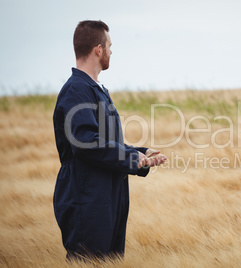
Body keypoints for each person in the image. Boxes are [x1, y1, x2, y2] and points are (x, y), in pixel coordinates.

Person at [52, 20, 167, 261]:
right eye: (109, 46)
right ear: (98, 49)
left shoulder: (96, 89)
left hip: (107, 196)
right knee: (89, 262)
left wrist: (141, 154)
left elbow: (105, 142)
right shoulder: (76, 90)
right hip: (87, 199)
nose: (112, 51)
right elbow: (85, 143)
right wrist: (130, 157)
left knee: (111, 262)